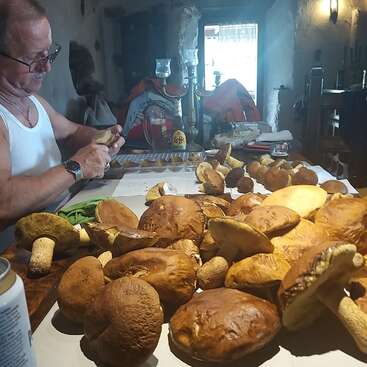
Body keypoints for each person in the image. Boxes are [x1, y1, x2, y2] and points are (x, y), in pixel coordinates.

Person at [0, 0, 124, 249]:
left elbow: (71, 132)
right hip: (21, 255)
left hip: (63, 228)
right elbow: (4, 201)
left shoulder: (34, 101)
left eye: (49, 54)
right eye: (34, 59)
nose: (46, 67)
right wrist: (77, 166)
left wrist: (101, 137)